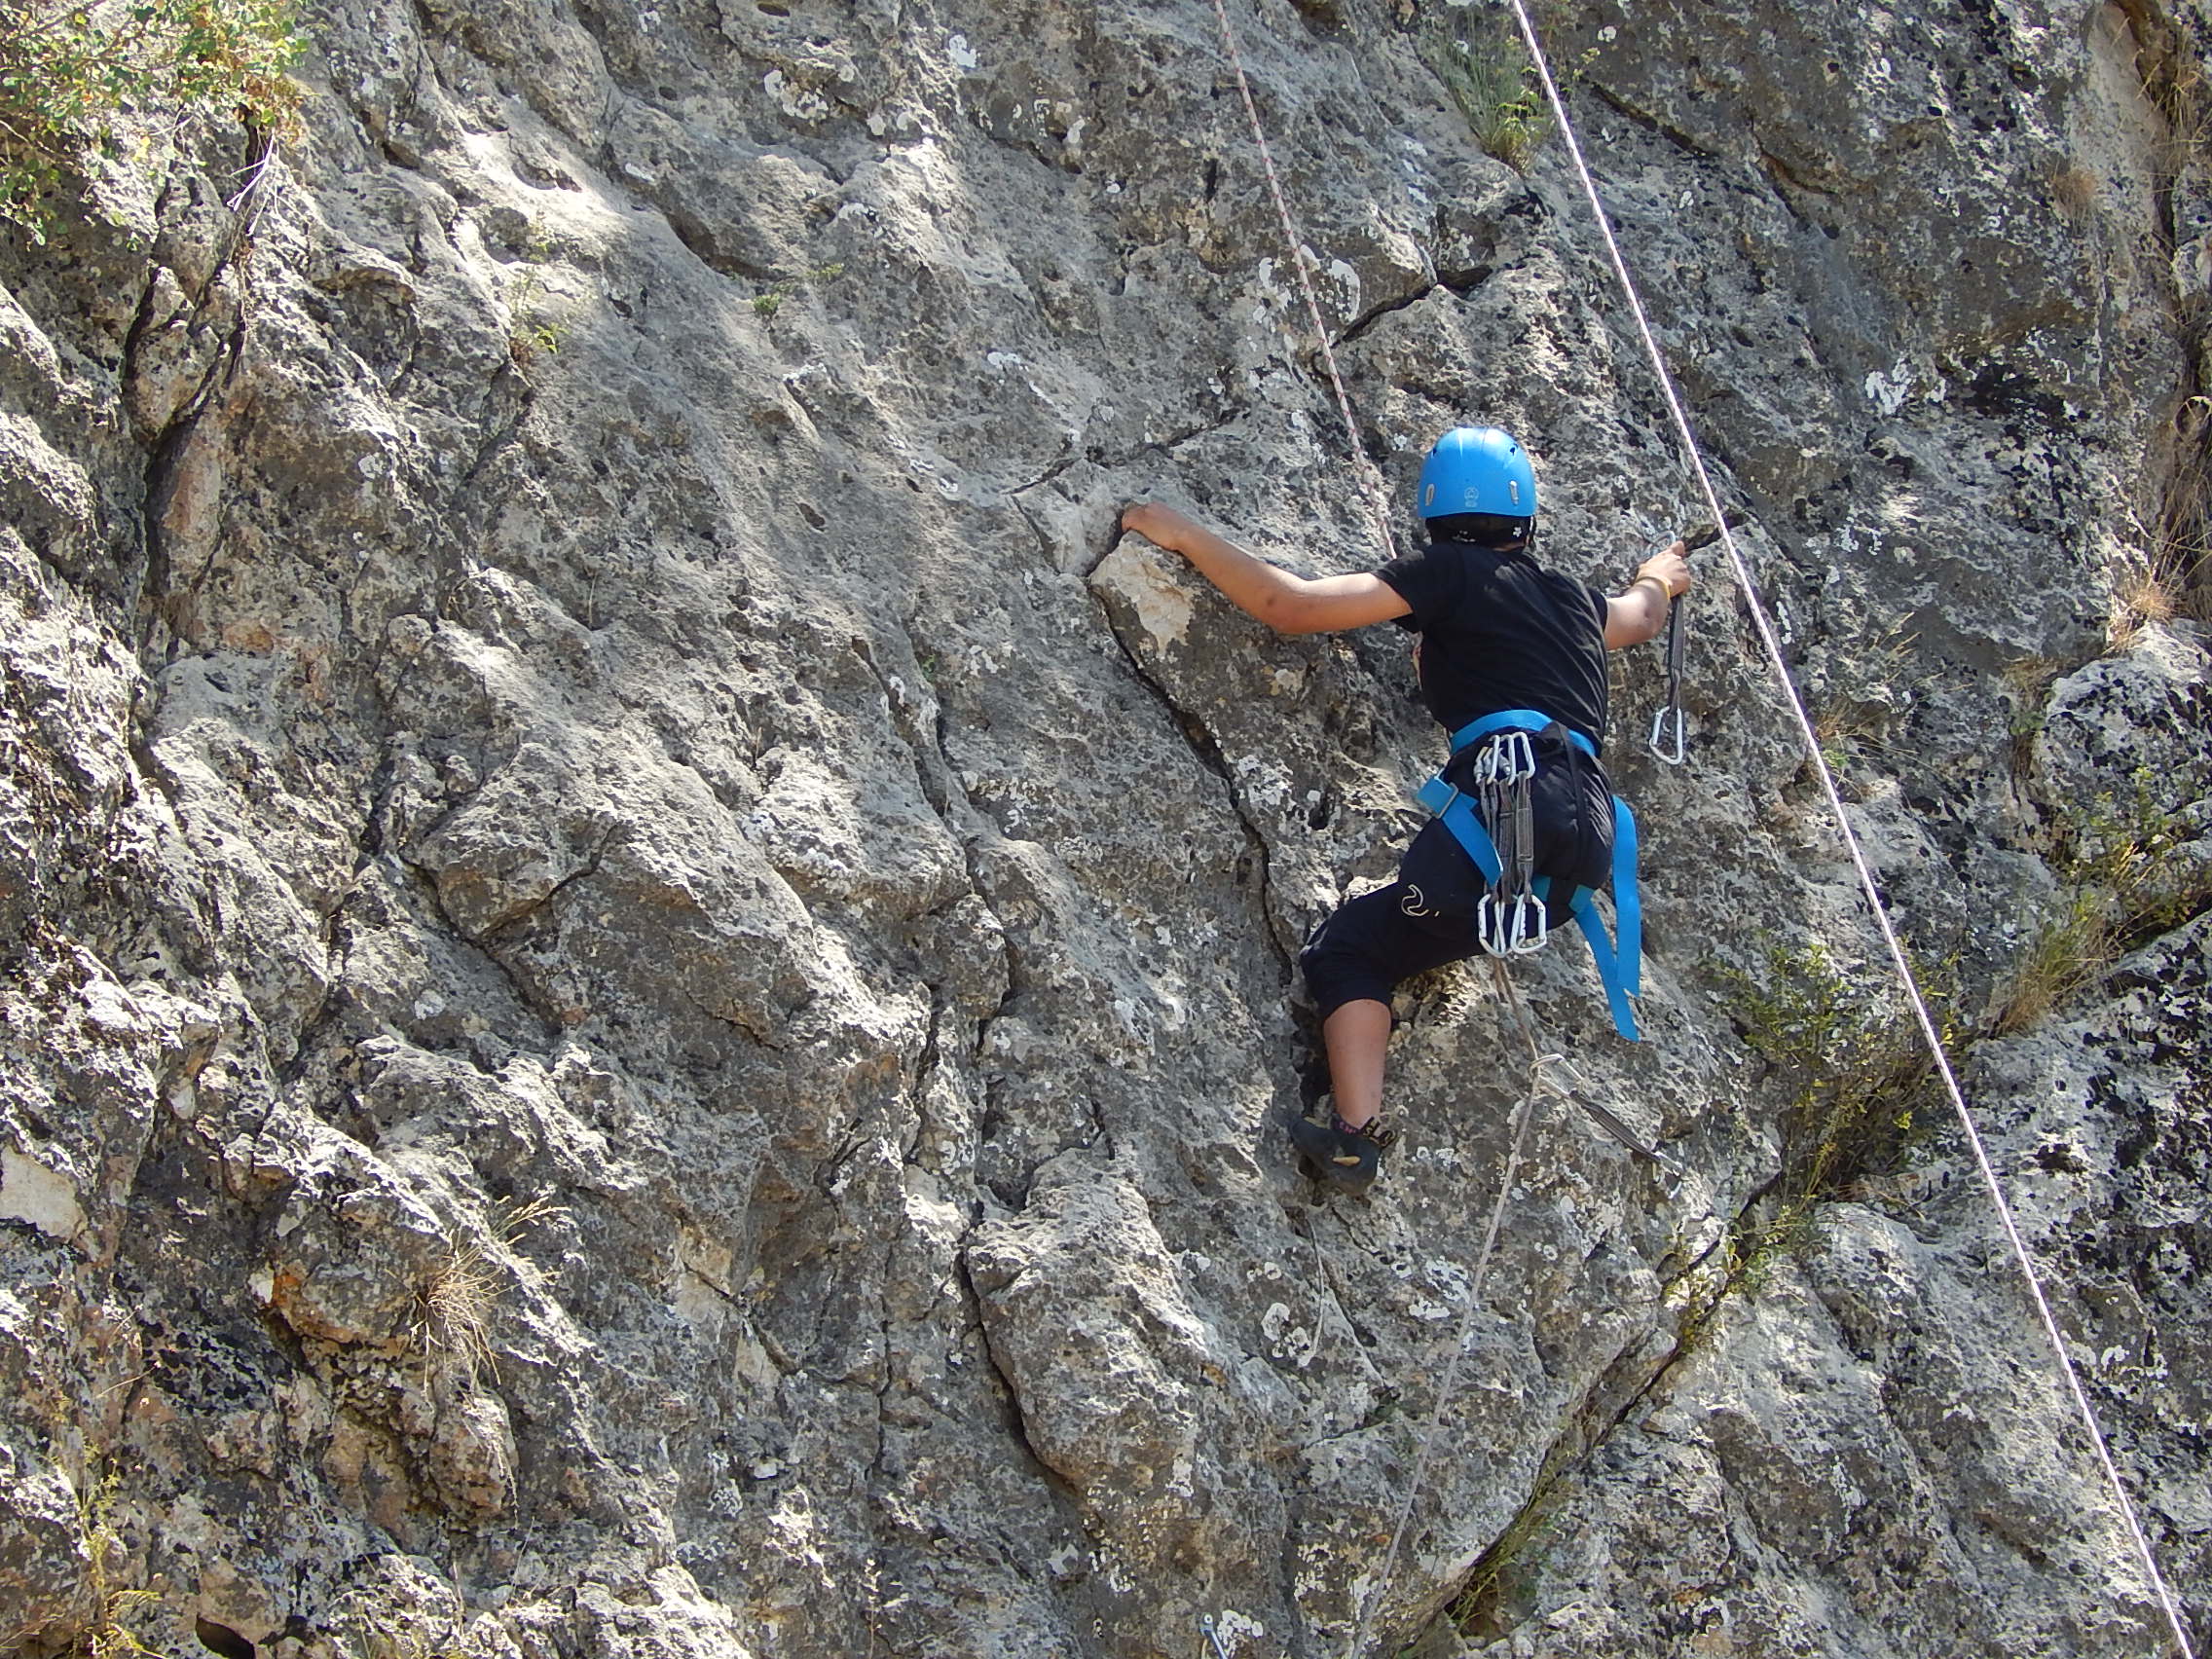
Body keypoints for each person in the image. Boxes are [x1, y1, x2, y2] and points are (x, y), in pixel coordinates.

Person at [1120, 426, 1691, 1194]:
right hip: (1584, 836)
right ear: (1525, 520)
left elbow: (1286, 605)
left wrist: (1180, 531)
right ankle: (1358, 1126)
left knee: (1351, 949)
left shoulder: (1447, 571)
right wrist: (1658, 574)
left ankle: (1355, 1142)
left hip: (1508, 811)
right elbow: (1642, 617)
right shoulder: (1573, 600)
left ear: (1432, 517)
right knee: (1397, 931)